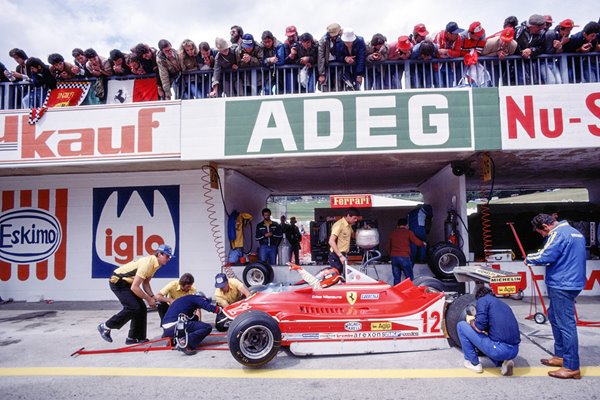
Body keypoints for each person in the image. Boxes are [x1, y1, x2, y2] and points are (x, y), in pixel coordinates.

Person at [526, 213, 586, 379]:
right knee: (553, 316)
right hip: (573, 282)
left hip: (562, 284)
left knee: (566, 325)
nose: (543, 236)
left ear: (545, 227)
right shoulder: (575, 232)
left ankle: (571, 366)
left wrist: (528, 258)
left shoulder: (558, 233)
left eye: (542, 233)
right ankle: (560, 356)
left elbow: (546, 255)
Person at [97, 244, 174, 345]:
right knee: (133, 307)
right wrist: (148, 299)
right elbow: (135, 287)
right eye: (167, 256)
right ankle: (105, 326)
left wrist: (152, 297)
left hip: (128, 283)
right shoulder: (148, 263)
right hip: (118, 282)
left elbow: (145, 283)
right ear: (159, 254)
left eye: (169, 256)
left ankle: (133, 337)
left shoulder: (156, 264)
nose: (168, 259)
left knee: (141, 308)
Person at [457, 286, 520, 376]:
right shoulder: (503, 304)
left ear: (478, 296)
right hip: (514, 350)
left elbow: (479, 327)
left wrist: (472, 321)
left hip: (499, 350)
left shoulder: (483, 300)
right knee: (493, 338)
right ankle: (503, 363)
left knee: (461, 326)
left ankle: (473, 363)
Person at [387, 218, 426, 284]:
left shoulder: (393, 233)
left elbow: (388, 247)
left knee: (396, 278)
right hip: (404, 257)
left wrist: (391, 255)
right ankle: (409, 292)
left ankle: (396, 292)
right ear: (406, 225)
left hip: (394, 258)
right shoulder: (408, 232)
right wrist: (423, 243)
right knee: (409, 278)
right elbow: (416, 241)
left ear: (397, 225)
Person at [328, 207, 360, 273]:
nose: (356, 220)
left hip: (344, 255)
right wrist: (340, 256)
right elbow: (331, 241)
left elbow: (354, 236)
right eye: (354, 218)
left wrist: (364, 230)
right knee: (338, 278)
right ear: (348, 216)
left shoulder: (349, 225)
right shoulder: (339, 225)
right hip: (336, 256)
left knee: (344, 277)